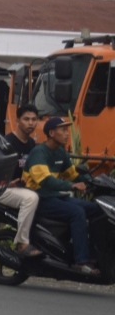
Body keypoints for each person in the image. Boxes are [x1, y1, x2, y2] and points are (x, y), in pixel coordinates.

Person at [23, 118, 103, 276]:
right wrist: (71, 186)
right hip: (40, 198)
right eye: (63, 130)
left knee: (96, 209)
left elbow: (72, 175)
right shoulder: (39, 152)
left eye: (67, 130)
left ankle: (94, 254)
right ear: (51, 133)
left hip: (55, 196)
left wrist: (95, 182)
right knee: (77, 213)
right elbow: (46, 181)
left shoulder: (60, 152)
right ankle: (81, 261)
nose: (67, 134)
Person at [0, 104, 43, 258]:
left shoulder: (31, 144)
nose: (30, 123)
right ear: (17, 121)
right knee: (31, 198)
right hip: (2, 189)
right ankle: (22, 242)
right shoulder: (6, 142)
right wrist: (7, 183)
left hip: (21, 188)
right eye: (26, 119)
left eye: (34, 119)